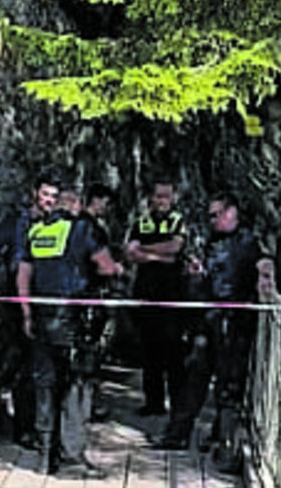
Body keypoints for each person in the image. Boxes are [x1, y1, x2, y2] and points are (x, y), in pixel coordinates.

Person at [153, 191, 275, 475]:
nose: (212, 220)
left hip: (234, 323)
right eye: (210, 215)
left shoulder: (248, 241)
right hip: (207, 319)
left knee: (229, 387)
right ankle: (177, 434)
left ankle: (225, 446)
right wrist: (196, 275)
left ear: (231, 212)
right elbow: (205, 278)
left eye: (216, 214)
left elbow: (263, 261)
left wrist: (265, 275)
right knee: (193, 377)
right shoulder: (211, 241)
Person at [16, 181, 124, 479]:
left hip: (41, 316)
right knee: (75, 387)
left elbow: (23, 275)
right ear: (75, 204)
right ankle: (71, 457)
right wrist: (116, 269)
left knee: (45, 385)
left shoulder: (36, 230)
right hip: (73, 320)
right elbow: (104, 266)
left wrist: (26, 313)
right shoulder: (81, 229)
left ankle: (45, 456)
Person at [0, 167, 62, 449]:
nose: (48, 200)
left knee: (44, 367)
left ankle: (41, 427)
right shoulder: (17, 222)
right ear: (35, 193)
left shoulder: (61, 225)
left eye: (53, 196)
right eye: (45, 194)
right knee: (19, 365)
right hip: (14, 304)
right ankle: (22, 427)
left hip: (48, 302)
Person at [124, 179, 188, 417]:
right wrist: (158, 255)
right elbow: (130, 253)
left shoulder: (177, 220)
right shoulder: (141, 222)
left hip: (171, 295)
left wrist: (147, 251)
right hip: (145, 294)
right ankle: (154, 403)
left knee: (174, 352)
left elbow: (175, 248)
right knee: (149, 352)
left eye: (166, 196)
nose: (162, 201)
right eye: (158, 196)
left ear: (173, 198)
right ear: (151, 197)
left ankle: (178, 404)